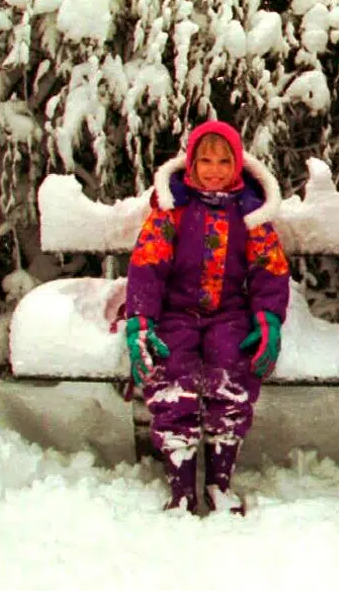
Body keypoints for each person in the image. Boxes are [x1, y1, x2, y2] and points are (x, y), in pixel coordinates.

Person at [122, 120, 290, 514]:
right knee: (170, 375)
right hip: (175, 313)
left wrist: (268, 318)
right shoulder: (173, 208)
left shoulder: (249, 211)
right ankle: (181, 485)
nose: (214, 170)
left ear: (237, 165)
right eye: (205, 161)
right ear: (191, 164)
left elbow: (269, 268)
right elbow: (147, 264)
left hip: (228, 313)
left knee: (232, 371)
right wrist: (141, 319)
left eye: (223, 162)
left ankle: (219, 480)